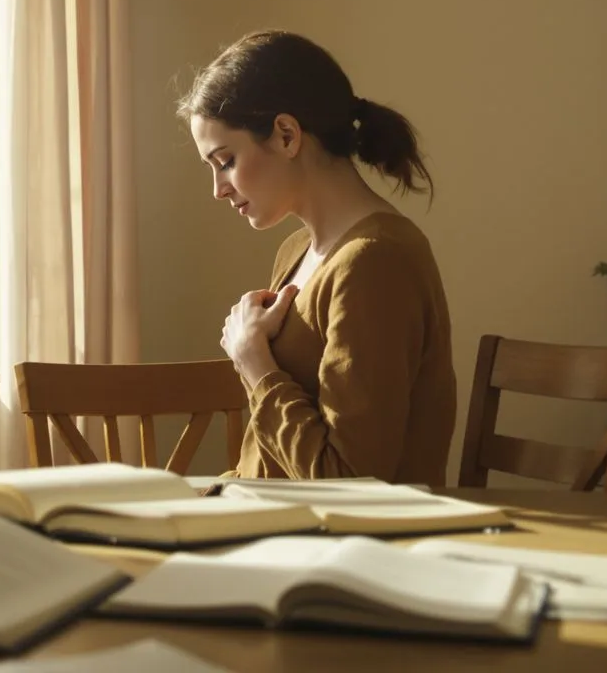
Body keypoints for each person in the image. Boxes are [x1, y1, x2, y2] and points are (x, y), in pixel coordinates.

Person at [178, 30, 456, 485]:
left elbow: (348, 480)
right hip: (266, 514)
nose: (218, 189)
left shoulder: (376, 261)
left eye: (225, 161)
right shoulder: (296, 251)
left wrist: (254, 362)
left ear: (287, 135)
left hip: (336, 528)